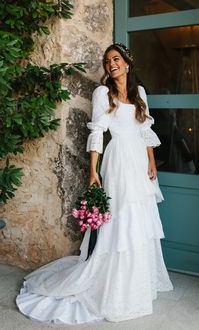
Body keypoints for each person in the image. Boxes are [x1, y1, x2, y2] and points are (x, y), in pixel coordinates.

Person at [16, 43, 173, 324]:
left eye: (116, 59)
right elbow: (98, 132)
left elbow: (145, 129)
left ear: (127, 63)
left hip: (138, 160)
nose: (111, 64)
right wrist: (92, 169)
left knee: (139, 217)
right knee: (120, 217)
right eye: (107, 61)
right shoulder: (103, 93)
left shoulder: (140, 93)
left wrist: (151, 161)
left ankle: (137, 282)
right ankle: (113, 281)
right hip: (117, 160)